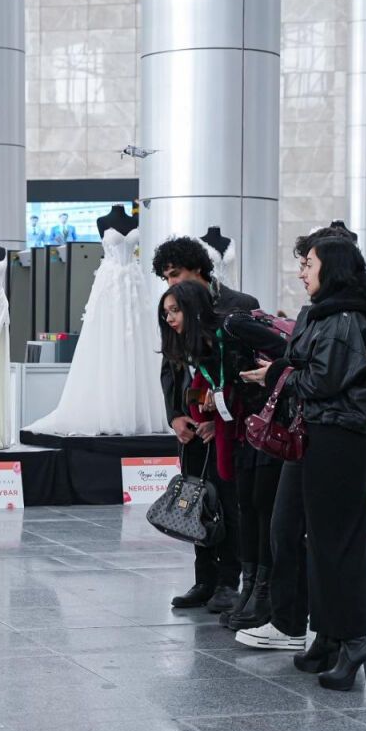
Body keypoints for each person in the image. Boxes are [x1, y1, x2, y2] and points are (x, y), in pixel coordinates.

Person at [240, 236, 366, 690]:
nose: (302, 272)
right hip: (325, 437)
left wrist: (275, 374)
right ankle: (329, 637)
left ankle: (355, 641)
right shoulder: (329, 314)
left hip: (342, 441)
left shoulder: (346, 319)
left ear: (334, 268)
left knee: (337, 545)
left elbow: (323, 381)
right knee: (320, 542)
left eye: (309, 264)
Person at [153, 236, 258, 611]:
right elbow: (172, 367)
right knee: (195, 498)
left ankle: (229, 581)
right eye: (166, 277)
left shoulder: (239, 305)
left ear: (198, 268)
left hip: (230, 426)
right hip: (192, 423)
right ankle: (205, 579)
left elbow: (246, 372)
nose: (171, 283)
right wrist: (176, 415)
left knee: (229, 501)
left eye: (175, 274)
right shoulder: (173, 307)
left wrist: (222, 416)